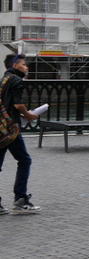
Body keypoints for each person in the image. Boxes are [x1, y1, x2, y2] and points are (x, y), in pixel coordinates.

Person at [0, 53, 42, 214]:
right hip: (10, 129)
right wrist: (28, 114)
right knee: (24, 160)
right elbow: (17, 105)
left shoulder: (3, 80)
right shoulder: (16, 80)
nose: (27, 67)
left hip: (0, 127)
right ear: (15, 66)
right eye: (24, 64)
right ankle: (20, 199)